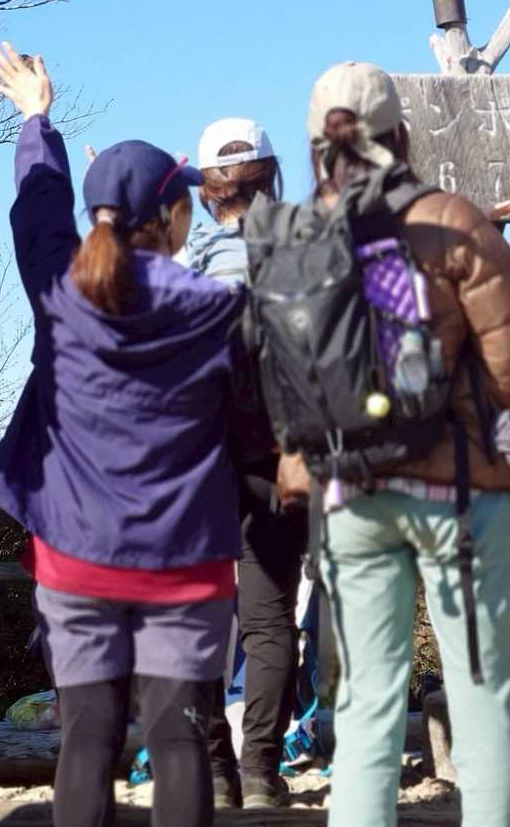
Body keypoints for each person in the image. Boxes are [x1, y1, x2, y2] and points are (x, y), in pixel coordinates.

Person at [0, 44, 247, 827]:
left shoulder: (59, 291)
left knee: (87, 738)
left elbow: (38, 210)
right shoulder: (217, 309)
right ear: (173, 218)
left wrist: (38, 120)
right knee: (180, 741)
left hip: (74, 554)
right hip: (187, 556)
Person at [297, 62, 510, 827]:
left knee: (367, 701)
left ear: (316, 148)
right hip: (458, 491)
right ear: (401, 137)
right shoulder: (454, 221)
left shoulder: (302, 238)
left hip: (351, 493)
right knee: (480, 690)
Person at [186, 116, 307, 810]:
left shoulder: (193, 259)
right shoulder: (306, 246)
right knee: (270, 619)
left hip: (203, 461)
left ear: (207, 189)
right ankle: (261, 769)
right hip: (283, 456)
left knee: (201, 617)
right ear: (271, 174)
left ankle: (216, 774)